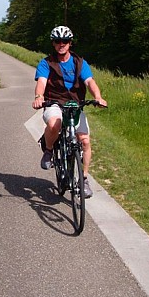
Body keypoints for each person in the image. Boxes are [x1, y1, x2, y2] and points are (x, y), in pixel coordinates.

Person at [31, 26, 107, 198]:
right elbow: (41, 82)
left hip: (75, 104)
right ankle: (49, 150)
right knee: (54, 123)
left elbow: (90, 82)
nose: (61, 44)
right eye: (57, 41)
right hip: (54, 102)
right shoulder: (46, 63)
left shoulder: (80, 63)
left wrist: (98, 97)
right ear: (53, 43)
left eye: (65, 41)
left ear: (70, 43)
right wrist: (39, 96)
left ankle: (84, 179)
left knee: (85, 141)